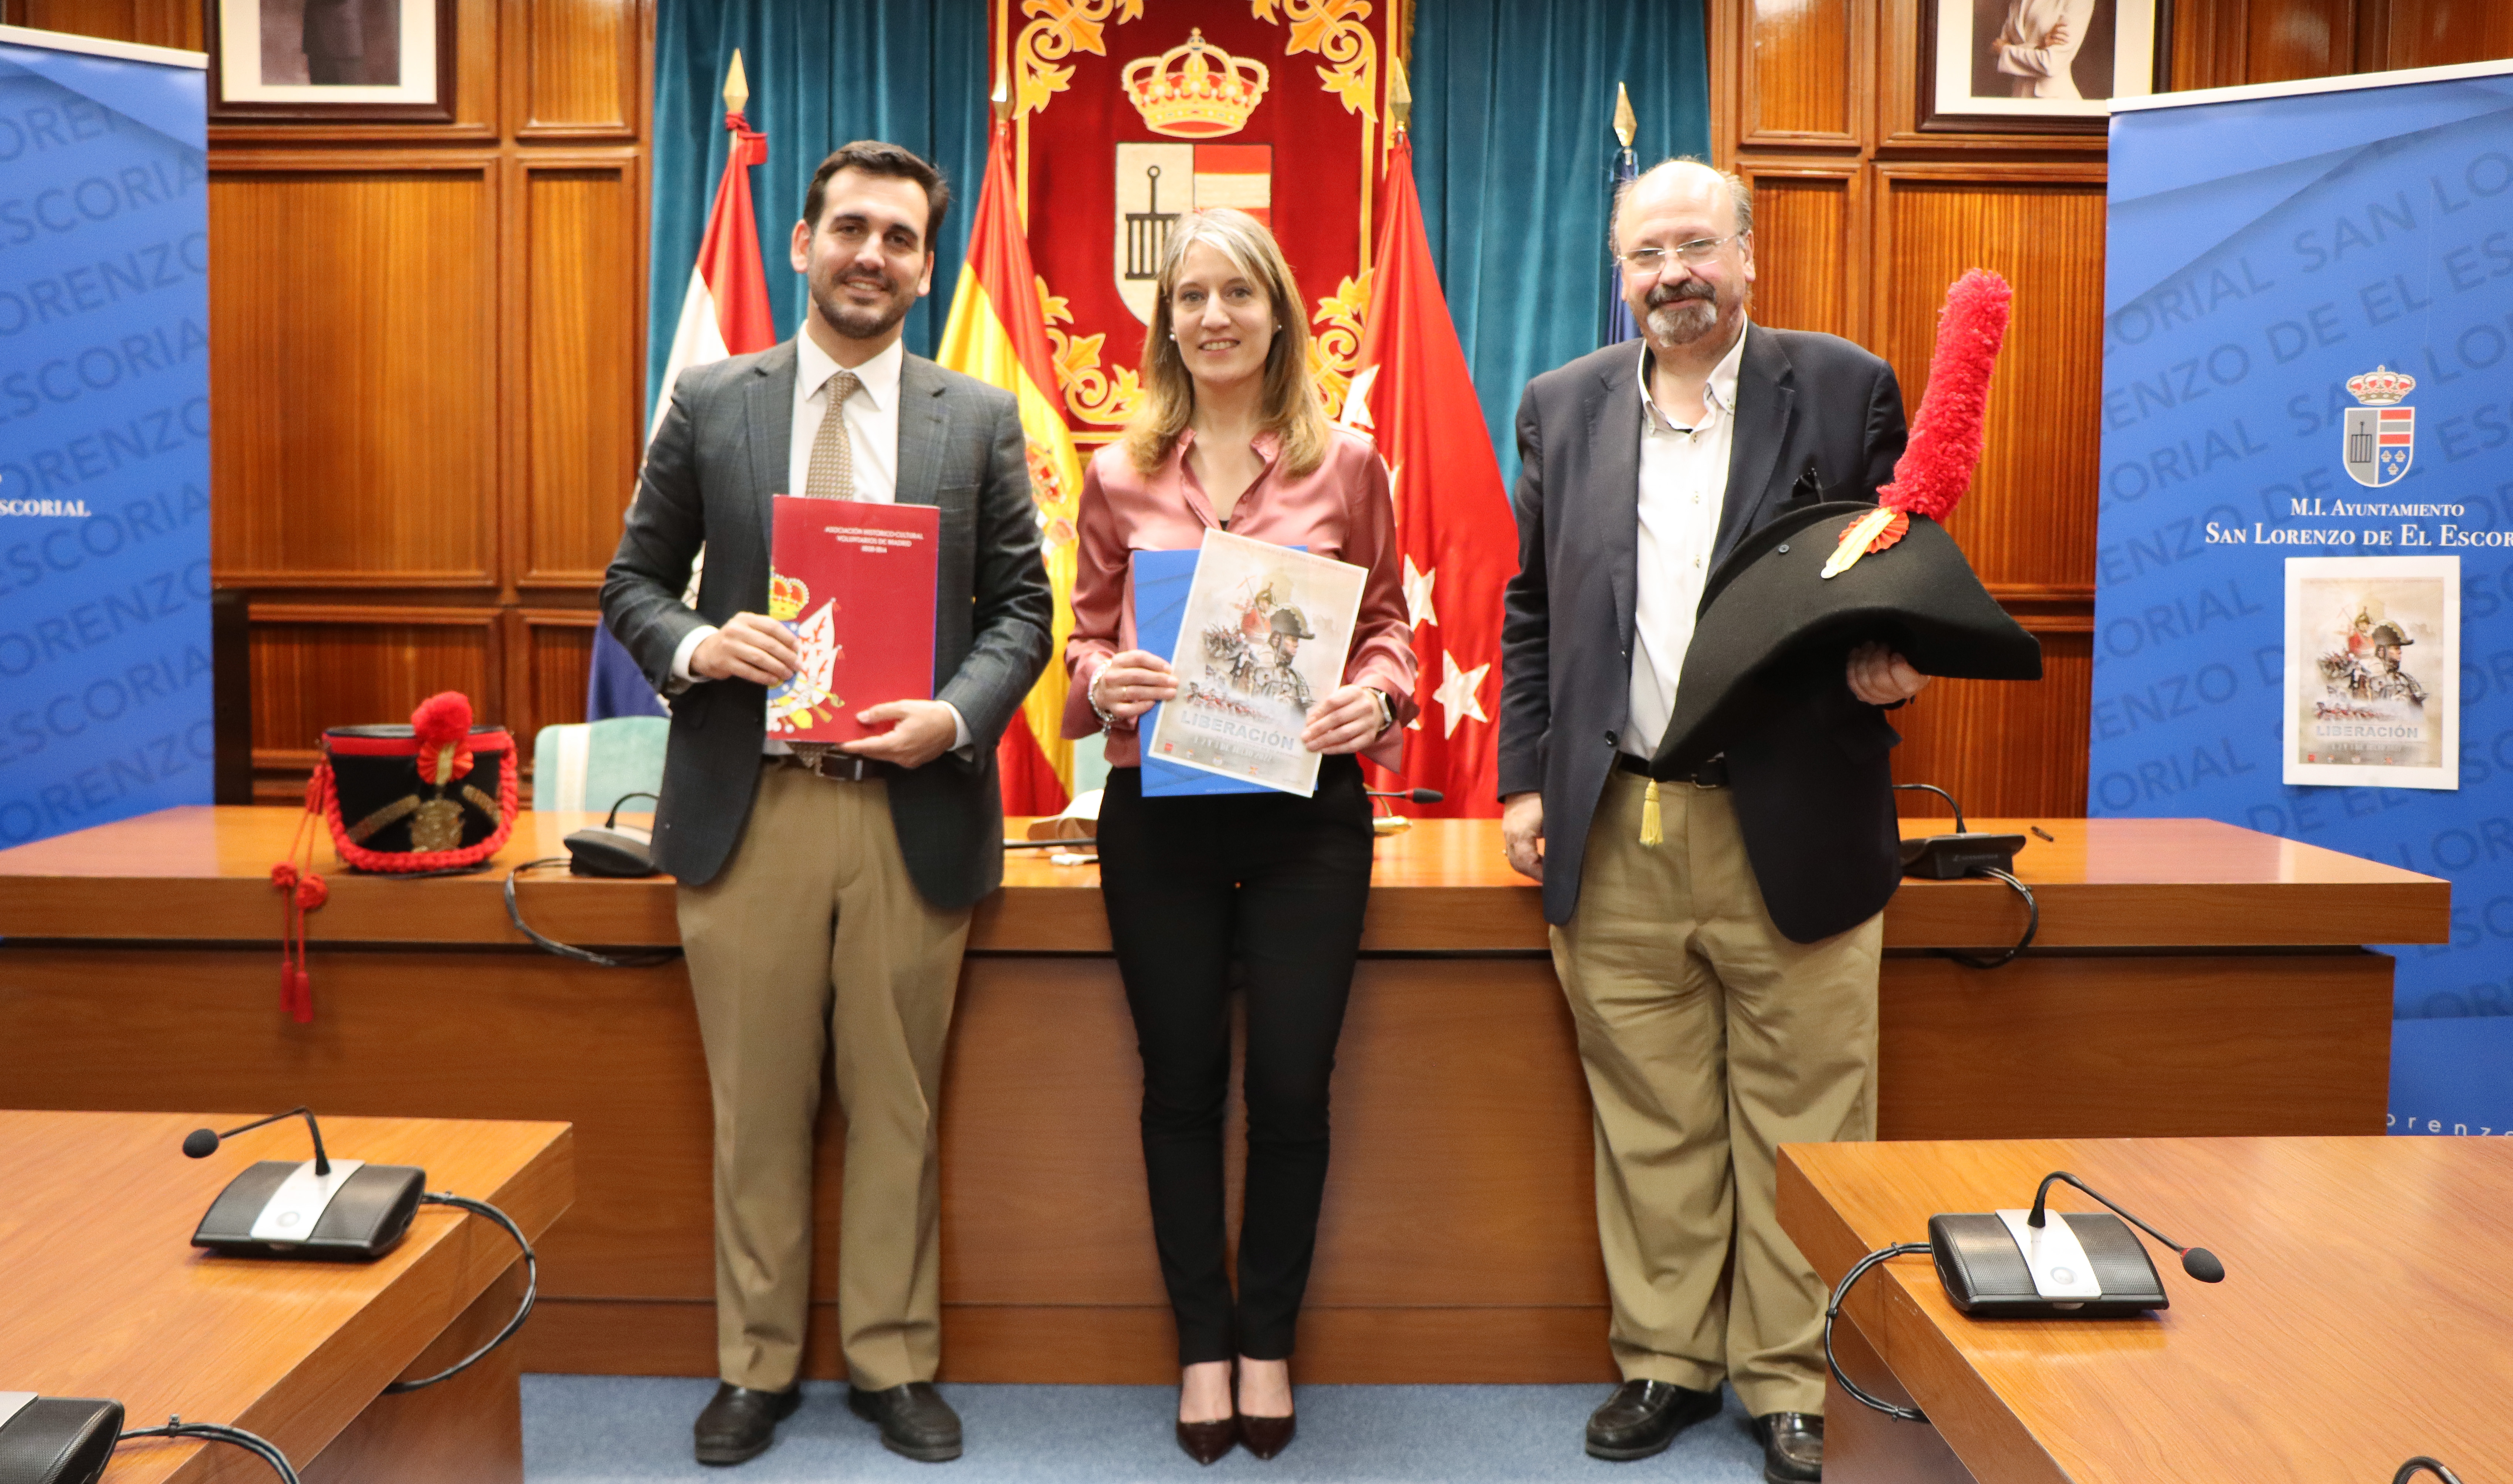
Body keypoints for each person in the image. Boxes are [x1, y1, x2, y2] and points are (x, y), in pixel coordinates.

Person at [601, 140, 1052, 1468]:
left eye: (899, 238)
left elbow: (1023, 609)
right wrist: (698, 647)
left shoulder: (973, 417)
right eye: (847, 228)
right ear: (798, 245)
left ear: (925, 265)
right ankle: (753, 1366)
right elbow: (632, 583)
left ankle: (891, 1362)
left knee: (897, 1104)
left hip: (910, 804)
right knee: (757, 1104)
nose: (870, 254)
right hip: (754, 805)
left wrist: (958, 715)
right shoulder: (709, 402)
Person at [1497, 158, 1930, 1484]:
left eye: (1694, 247)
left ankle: (1794, 1382)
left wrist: (1895, 649)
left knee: (1803, 1119)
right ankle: (1665, 1362)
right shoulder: (1558, 407)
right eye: (1645, 255)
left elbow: (1898, 566)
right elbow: (1529, 611)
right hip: (1615, 821)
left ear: (1745, 256)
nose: (1670, 274)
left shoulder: (1844, 387)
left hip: (1788, 819)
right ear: (1618, 273)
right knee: (1649, 1116)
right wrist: (1524, 778)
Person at [1061, 207, 1417, 1466]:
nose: (1212, 314)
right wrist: (1100, 681)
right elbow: (1084, 641)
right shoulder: (1116, 472)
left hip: (1305, 820)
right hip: (1155, 817)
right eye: (1190, 294)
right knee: (1178, 1089)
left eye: (1237, 293)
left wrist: (1376, 694)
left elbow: (1387, 624)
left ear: (1280, 314)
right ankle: (1199, 1346)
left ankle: (1265, 1339)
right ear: (1164, 320)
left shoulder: (1349, 466)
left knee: (1288, 1090)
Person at [1991, 0, 2097, 100]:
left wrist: (2006, 52)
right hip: (2018, 100)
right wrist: (2040, 48)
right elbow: (1996, 50)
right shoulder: (2018, 2)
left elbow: (2052, 63)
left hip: (2056, 103)